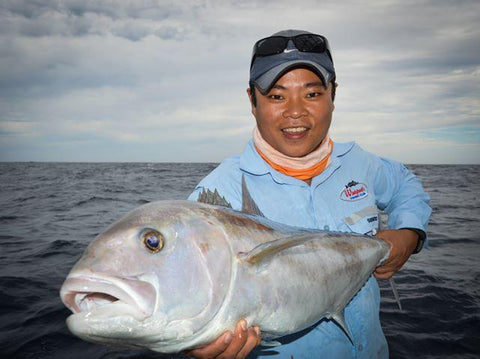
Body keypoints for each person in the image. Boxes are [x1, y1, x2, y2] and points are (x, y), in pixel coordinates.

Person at [186, 29, 431, 359]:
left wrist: (410, 233)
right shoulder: (217, 196)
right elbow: (187, 293)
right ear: (252, 100)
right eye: (276, 96)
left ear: (334, 95)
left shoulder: (359, 162)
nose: (295, 111)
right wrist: (195, 346)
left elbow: (405, 186)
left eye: (312, 94)